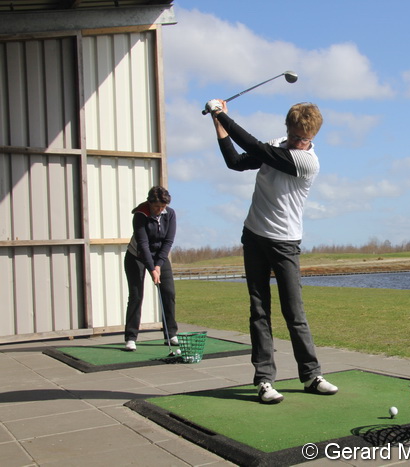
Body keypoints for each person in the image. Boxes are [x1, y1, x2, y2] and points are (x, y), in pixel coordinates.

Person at [207, 98, 338, 404]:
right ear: (287, 129)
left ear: (312, 137)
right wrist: (218, 123)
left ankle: (311, 375)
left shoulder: (307, 162)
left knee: (294, 312)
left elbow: (254, 146)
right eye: (293, 136)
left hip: (286, 242)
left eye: (302, 139)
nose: (296, 142)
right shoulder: (278, 144)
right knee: (259, 310)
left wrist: (221, 114)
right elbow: (236, 162)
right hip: (254, 236)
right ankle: (264, 380)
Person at [123, 186, 178, 351]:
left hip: (159, 257)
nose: (159, 209)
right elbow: (143, 244)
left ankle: (170, 334)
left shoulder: (170, 214)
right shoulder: (140, 215)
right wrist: (152, 269)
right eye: (156, 206)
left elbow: (168, 241)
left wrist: (158, 265)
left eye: (162, 206)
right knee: (136, 296)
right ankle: (131, 338)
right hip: (137, 256)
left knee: (168, 293)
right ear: (150, 203)